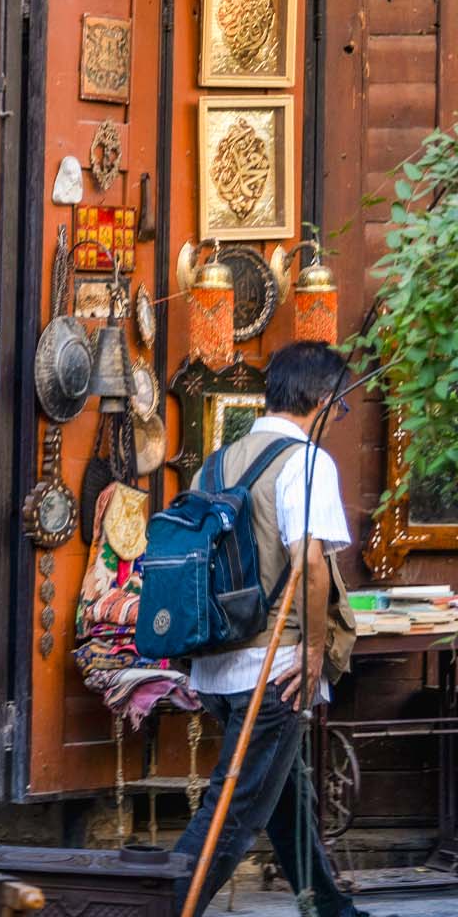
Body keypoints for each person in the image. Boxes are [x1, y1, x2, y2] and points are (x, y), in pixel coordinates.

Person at [173, 341, 367, 917]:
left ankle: (331, 910)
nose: (341, 417)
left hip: (215, 665)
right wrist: (311, 652)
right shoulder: (307, 463)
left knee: (285, 799)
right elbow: (307, 562)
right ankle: (158, 909)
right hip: (274, 671)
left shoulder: (220, 459)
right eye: (343, 405)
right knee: (233, 812)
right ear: (323, 399)